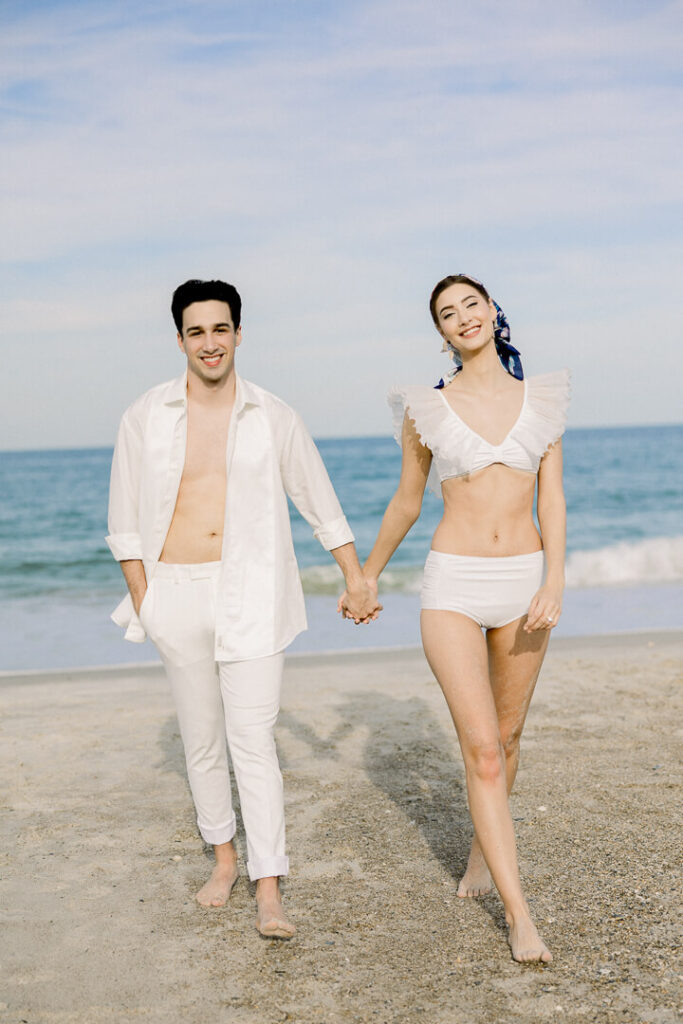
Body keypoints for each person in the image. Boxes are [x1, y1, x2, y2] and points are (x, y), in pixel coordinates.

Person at [107, 278, 380, 939]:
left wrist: (355, 576)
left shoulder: (272, 415)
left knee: (252, 741)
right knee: (201, 743)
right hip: (174, 593)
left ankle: (269, 886)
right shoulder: (145, 414)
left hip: (251, 593)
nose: (210, 342)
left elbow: (318, 498)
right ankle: (223, 859)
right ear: (180, 340)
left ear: (237, 334)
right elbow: (123, 523)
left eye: (220, 328)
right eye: (196, 331)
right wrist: (148, 603)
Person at [340, 273, 569, 963]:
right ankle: (519, 914)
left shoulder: (544, 396)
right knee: (480, 751)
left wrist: (555, 579)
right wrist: (366, 573)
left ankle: (478, 850)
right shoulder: (425, 409)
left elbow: (550, 500)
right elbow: (407, 502)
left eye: (471, 303)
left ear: (494, 311)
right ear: (440, 333)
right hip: (453, 587)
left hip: (524, 584)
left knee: (508, 733)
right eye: (447, 312)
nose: (463, 316)